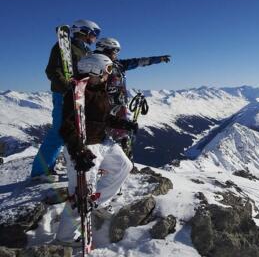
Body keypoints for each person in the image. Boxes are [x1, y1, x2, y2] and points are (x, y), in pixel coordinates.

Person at [56, 53, 136, 246]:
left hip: (103, 142)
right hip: (85, 146)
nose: (110, 74)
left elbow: (103, 118)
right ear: (94, 69)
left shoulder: (100, 90)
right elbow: (66, 127)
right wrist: (78, 151)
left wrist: (122, 124)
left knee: (123, 167)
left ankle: (95, 203)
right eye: (108, 70)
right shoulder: (76, 93)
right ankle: (65, 237)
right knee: (80, 194)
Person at [31, 19, 101, 179]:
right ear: (85, 31)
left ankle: (51, 166)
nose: (95, 37)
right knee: (59, 132)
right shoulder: (64, 47)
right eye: (95, 33)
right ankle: (40, 172)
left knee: (73, 131)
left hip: (78, 96)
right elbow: (52, 71)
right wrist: (67, 87)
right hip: (63, 95)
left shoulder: (84, 51)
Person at [93, 37, 170, 159]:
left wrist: (158, 59)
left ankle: (122, 160)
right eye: (114, 51)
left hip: (119, 105)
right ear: (105, 50)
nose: (116, 54)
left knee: (123, 134)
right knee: (107, 137)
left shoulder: (118, 65)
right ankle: (108, 162)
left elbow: (139, 62)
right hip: (104, 107)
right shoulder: (94, 65)